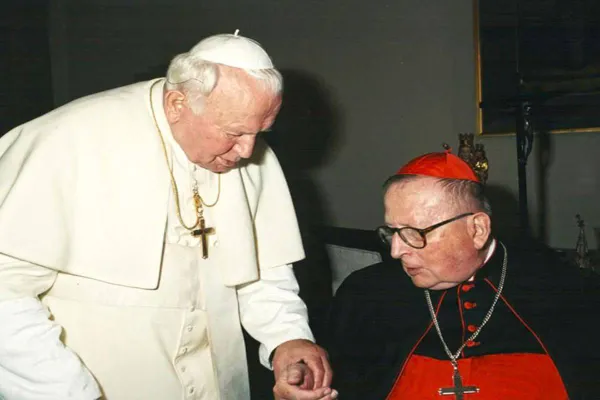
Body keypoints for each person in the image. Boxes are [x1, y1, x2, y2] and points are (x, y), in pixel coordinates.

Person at [0, 31, 338, 400]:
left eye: (259, 132)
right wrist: (68, 392)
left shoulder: (247, 151)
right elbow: (6, 298)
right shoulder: (66, 142)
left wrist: (287, 338)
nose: (247, 151)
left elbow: (263, 270)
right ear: (178, 103)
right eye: (234, 132)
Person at [327, 149, 600, 399]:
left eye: (415, 232)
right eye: (392, 232)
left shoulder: (565, 290)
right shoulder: (364, 293)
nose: (396, 251)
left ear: (477, 229)